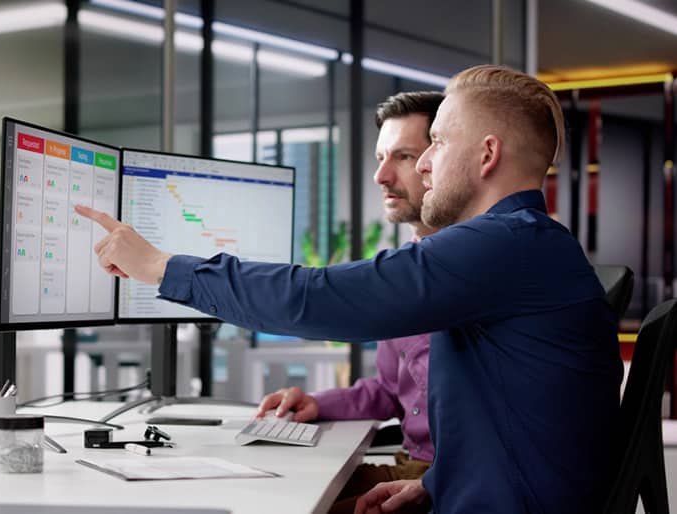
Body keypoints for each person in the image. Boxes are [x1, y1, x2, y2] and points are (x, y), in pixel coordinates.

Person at [76, 64, 622, 513]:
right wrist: (433, 484)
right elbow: (513, 422)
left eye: (434, 143)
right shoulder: (526, 245)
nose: (425, 165)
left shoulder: (503, 246)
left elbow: (318, 298)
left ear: (486, 154)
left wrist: (160, 267)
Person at [254, 91, 443, 514]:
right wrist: (319, 404)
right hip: (409, 466)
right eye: (380, 157)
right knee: (273, 484)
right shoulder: (405, 272)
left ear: (440, 161)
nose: (380, 175)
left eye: (404, 157)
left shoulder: (470, 272)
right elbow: (393, 392)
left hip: (441, 478)